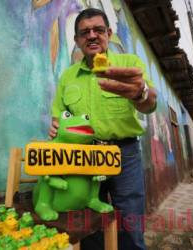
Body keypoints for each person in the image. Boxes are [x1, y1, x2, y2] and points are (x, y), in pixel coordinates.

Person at [49, 8, 157, 250]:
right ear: (77, 40)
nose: (92, 36)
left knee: (130, 221)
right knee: (88, 223)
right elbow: (60, 116)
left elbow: (151, 103)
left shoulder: (130, 64)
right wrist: (57, 125)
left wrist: (141, 94)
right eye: (84, 32)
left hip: (124, 155)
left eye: (98, 29)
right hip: (83, 158)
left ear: (108, 33)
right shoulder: (67, 77)